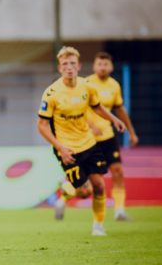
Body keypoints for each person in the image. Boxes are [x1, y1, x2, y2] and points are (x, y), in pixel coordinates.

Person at [37, 46, 126, 236]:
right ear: (60, 68)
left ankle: (98, 227)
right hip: (67, 149)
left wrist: (115, 120)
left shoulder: (87, 86)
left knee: (99, 186)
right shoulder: (51, 93)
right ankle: (66, 191)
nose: (69, 67)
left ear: (78, 66)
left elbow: (97, 107)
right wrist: (60, 148)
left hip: (89, 143)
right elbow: (42, 125)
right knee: (85, 191)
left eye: (72, 63)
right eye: (64, 64)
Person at [86, 52, 139, 221]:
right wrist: (91, 125)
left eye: (105, 64)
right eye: (99, 64)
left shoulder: (114, 85)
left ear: (111, 67)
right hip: (89, 139)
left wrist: (131, 132)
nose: (102, 67)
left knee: (118, 172)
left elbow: (120, 110)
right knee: (91, 182)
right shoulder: (86, 84)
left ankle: (119, 211)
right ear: (94, 66)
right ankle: (64, 196)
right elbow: (78, 110)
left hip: (108, 137)